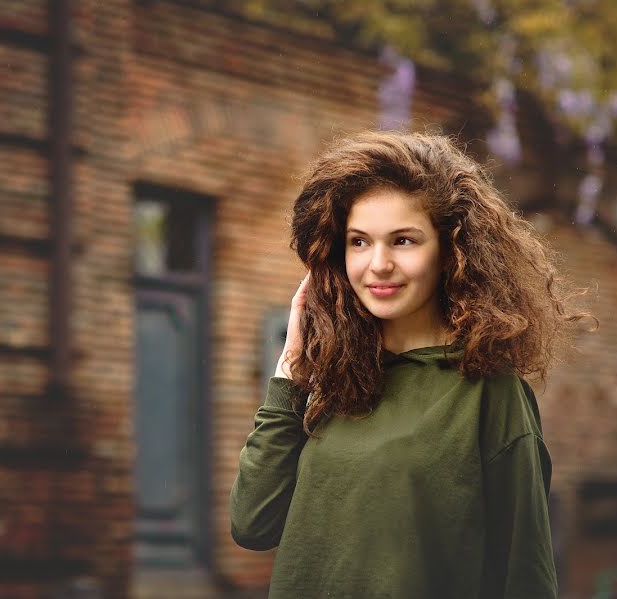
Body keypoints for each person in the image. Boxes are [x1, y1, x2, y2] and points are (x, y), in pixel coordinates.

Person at [229, 130, 593, 598]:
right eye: (359, 242)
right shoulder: (335, 383)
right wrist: (291, 375)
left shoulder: (488, 393)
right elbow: (252, 524)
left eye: (403, 241)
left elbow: (525, 575)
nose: (378, 264)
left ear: (450, 252)